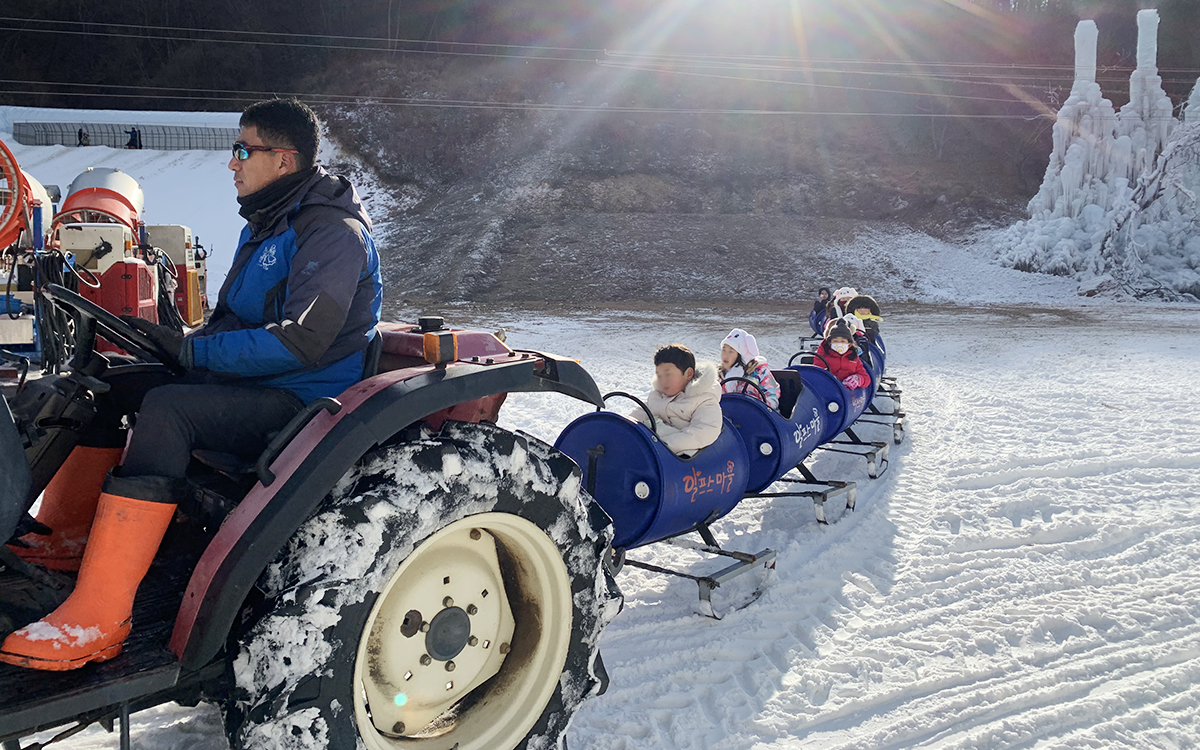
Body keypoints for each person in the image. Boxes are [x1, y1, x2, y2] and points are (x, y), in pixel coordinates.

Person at [2, 98, 383, 671]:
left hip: (302, 400)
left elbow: (299, 343)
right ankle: (75, 531)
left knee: (169, 410)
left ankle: (101, 616)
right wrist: (171, 340)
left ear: (282, 160)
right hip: (258, 380)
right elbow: (237, 321)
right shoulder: (271, 225)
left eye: (241, 150)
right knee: (106, 380)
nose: (231, 163)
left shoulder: (331, 234)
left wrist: (192, 352)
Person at [628, 344, 724, 458]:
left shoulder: (703, 399)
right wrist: (626, 425)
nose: (662, 380)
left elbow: (703, 432)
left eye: (668, 374)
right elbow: (640, 413)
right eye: (659, 375)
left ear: (688, 374)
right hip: (652, 453)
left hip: (681, 459)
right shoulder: (657, 396)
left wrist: (662, 445)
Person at [718, 328, 780, 411]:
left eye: (731, 351)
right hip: (728, 417)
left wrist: (759, 409)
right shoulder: (718, 374)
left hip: (756, 417)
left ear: (741, 355)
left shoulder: (760, 371)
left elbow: (772, 395)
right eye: (724, 350)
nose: (725, 355)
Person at [814, 320, 871, 391]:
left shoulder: (853, 358)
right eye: (835, 341)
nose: (839, 344)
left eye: (843, 341)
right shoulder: (823, 356)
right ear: (829, 343)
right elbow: (817, 374)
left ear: (849, 344)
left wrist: (858, 379)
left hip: (849, 394)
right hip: (829, 391)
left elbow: (866, 378)